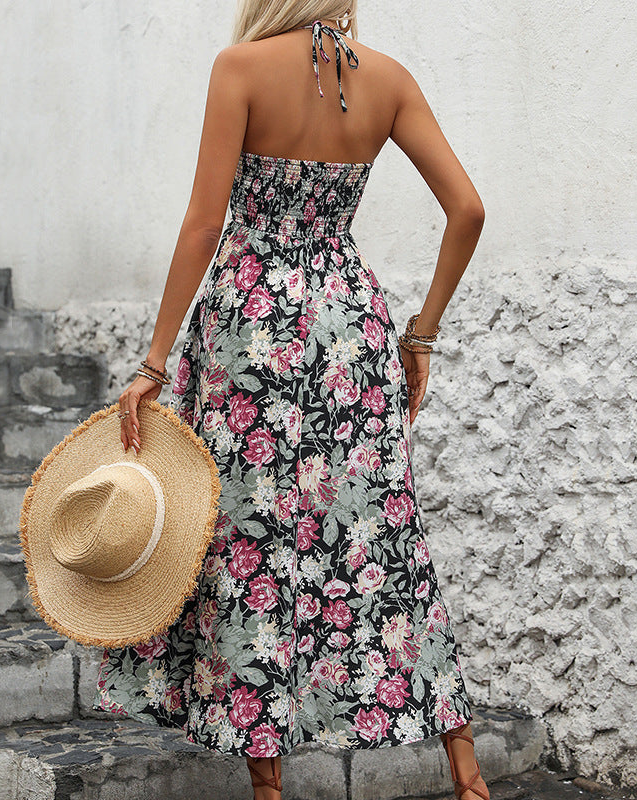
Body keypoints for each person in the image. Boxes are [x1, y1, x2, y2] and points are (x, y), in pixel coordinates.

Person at [98, 2, 486, 798]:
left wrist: (154, 361)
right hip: (351, 327)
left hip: (252, 327)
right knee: (381, 534)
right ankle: (468, 773)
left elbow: (208, 221)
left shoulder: (239, 68)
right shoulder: (388, 80)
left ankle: (270, 786)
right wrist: (422, 335)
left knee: (251, 542)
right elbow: (469, 211)